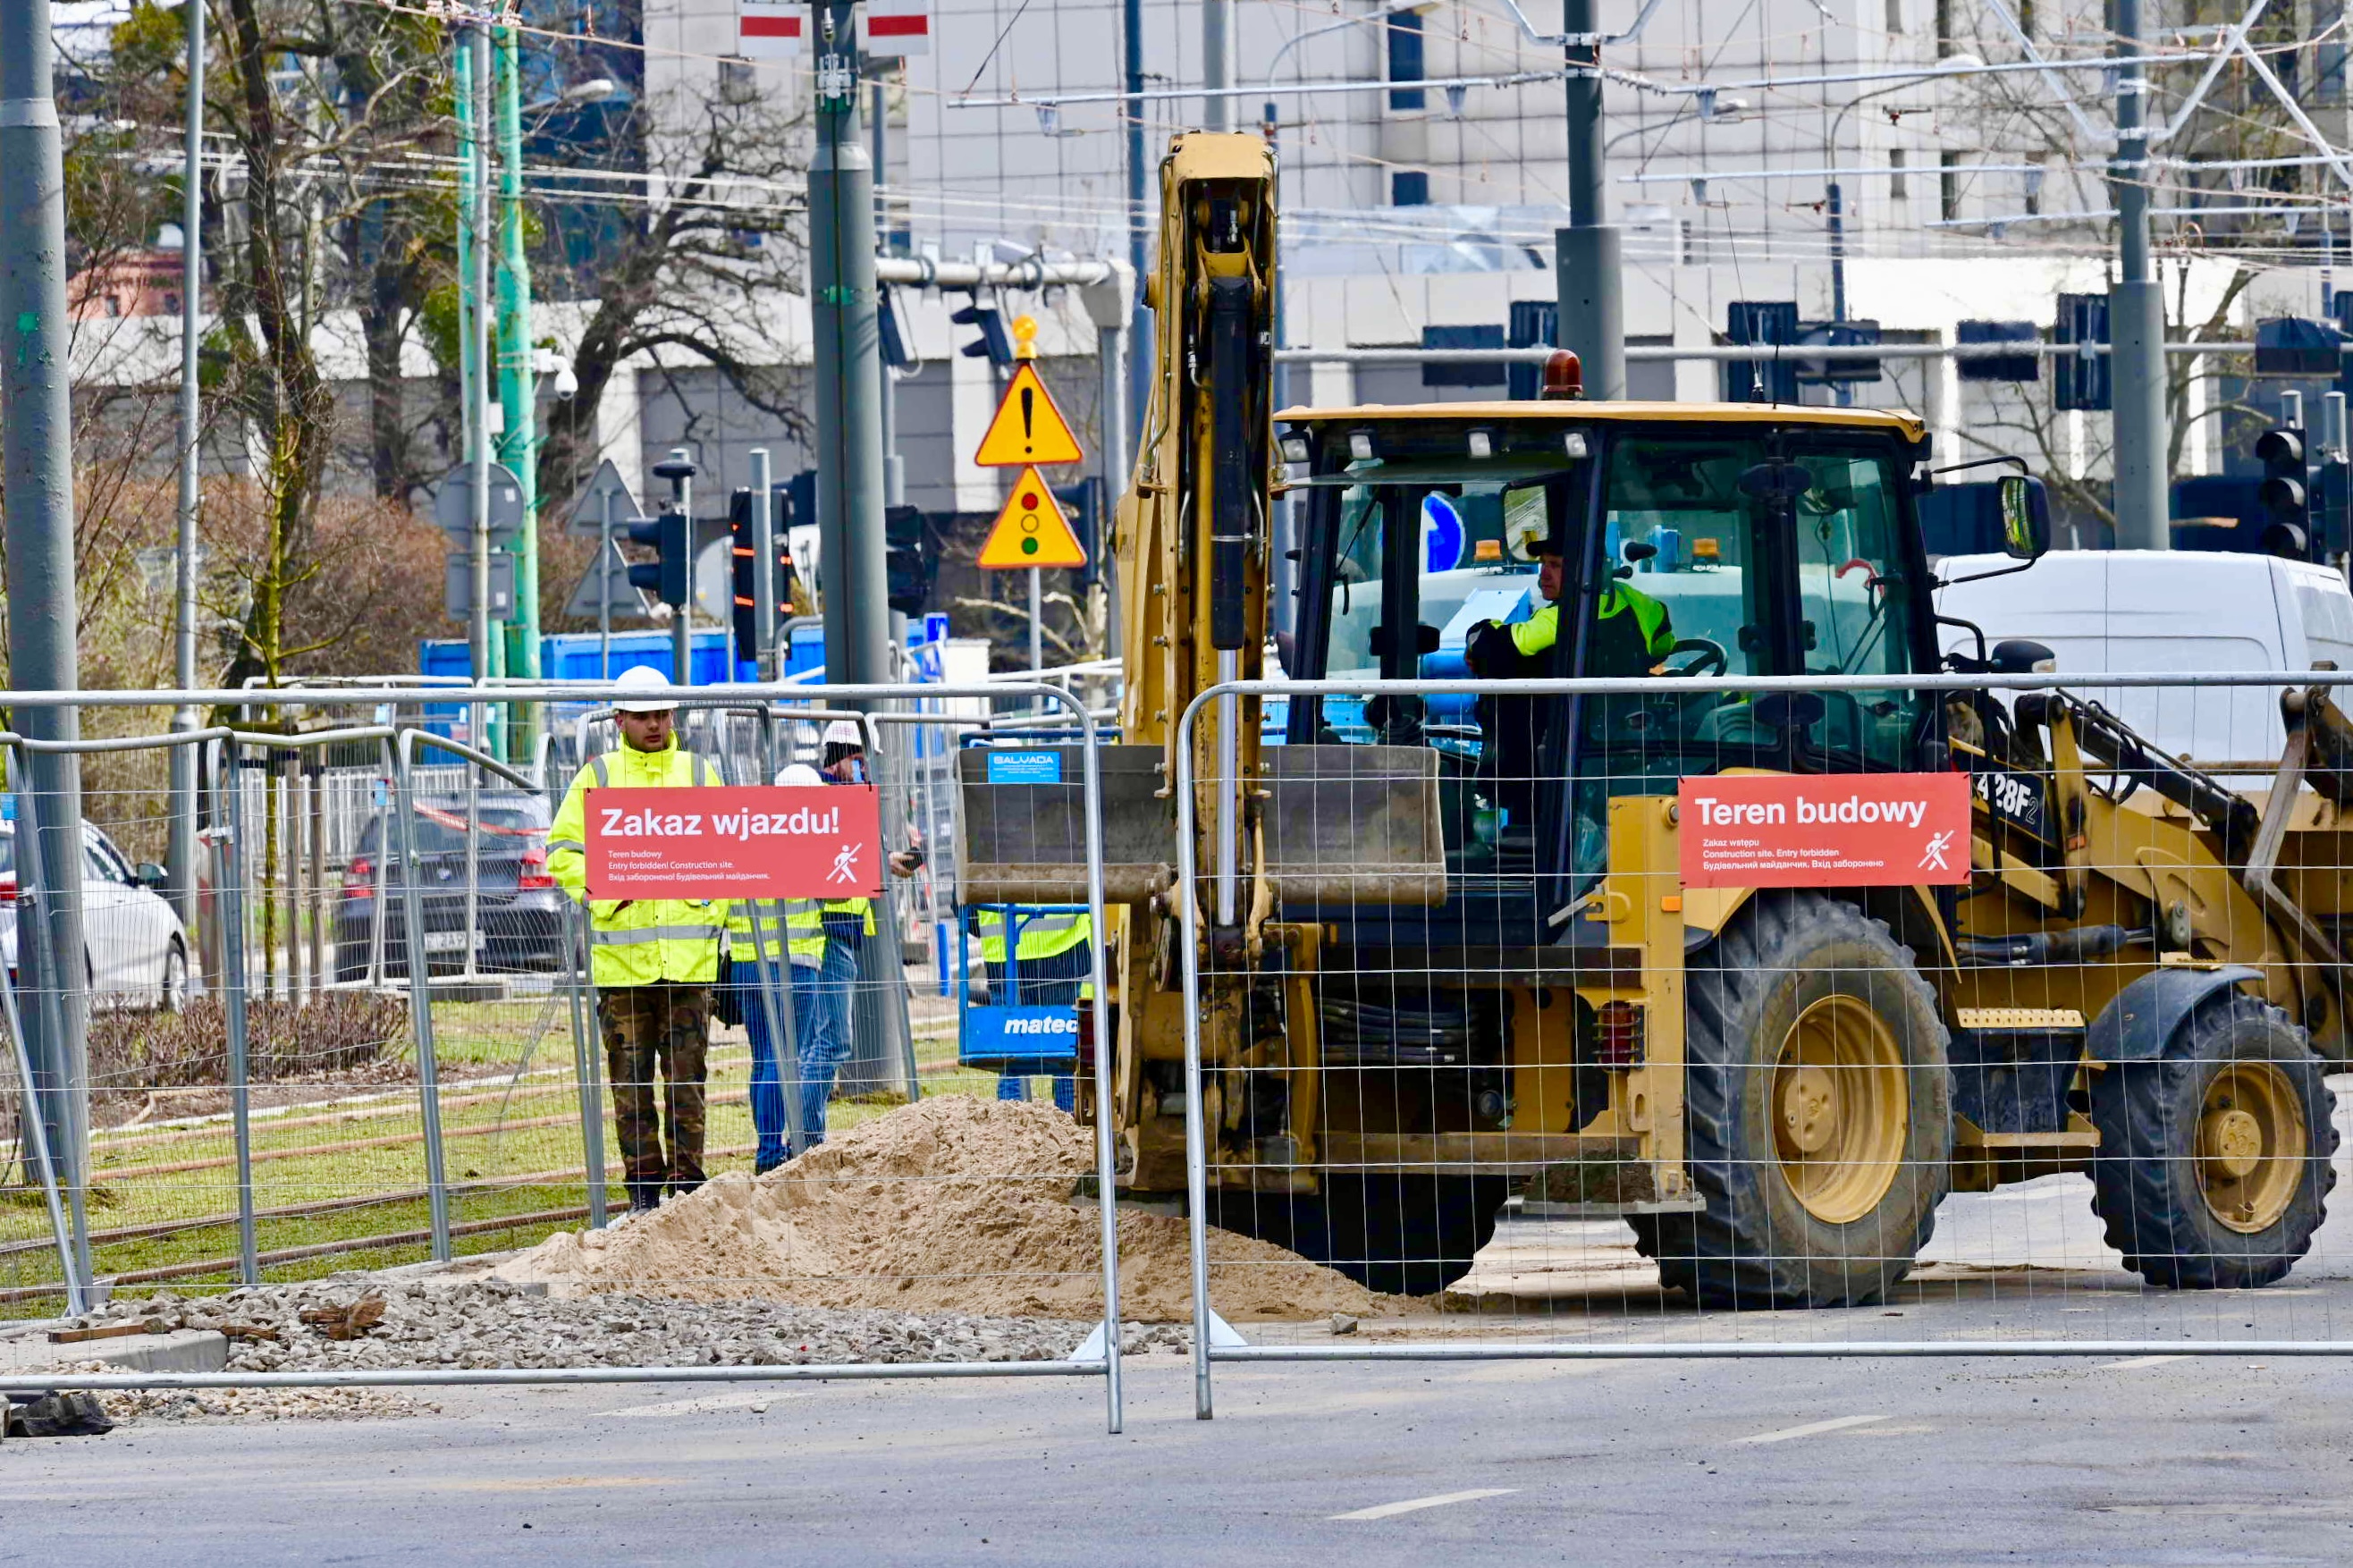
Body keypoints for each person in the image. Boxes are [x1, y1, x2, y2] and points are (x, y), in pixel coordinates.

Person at [545, 665, 728, 1212]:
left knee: (687, 1086)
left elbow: (730, 851)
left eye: (663, 715)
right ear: (620, 719)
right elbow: (562, 851)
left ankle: (690, 1193)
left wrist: (710, 904)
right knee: (631, 1089)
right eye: (644, 716)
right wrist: (603, 893)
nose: (655, 724)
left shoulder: (698, 773)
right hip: (624, 972)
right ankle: (645, 1197)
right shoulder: (598, 777)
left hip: (689, 968)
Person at [1463, 524, 1675, 828]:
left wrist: (1477, 634)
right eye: (1542, 565)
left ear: (1585, 571)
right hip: (1628, 741)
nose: (1543, 575)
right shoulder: (1641, 605)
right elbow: (1663, 645)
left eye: (1555, 566)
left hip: (1573, 747)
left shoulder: (1560, 617)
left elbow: (1497, 646)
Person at [800, 720, 922, 1148]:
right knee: (832, 1041)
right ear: (840, 757)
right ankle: (808, 1137)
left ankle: (806, 1133)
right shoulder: (828, 798)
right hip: (828, 935)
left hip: (841, 935)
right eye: (858, 760)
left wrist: (889, 860)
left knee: (821, 1041)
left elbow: (853, 858)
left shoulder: (848, 802)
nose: (865, 770)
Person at [726, 762, 829, 1174]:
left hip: (748, 964)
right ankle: (774, 1154)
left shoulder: (746, 840)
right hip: (796, 964)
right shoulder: (811, 841)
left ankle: (768, 1145)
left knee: (764, 1056)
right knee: (786, 1056)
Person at [973, 905, 1090, 1112]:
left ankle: (1011, 1130)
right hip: (1063, 954)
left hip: (1004, 958)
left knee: (1009, 1060)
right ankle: (1071, 1132)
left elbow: (964, 903)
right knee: (1066, 1053)